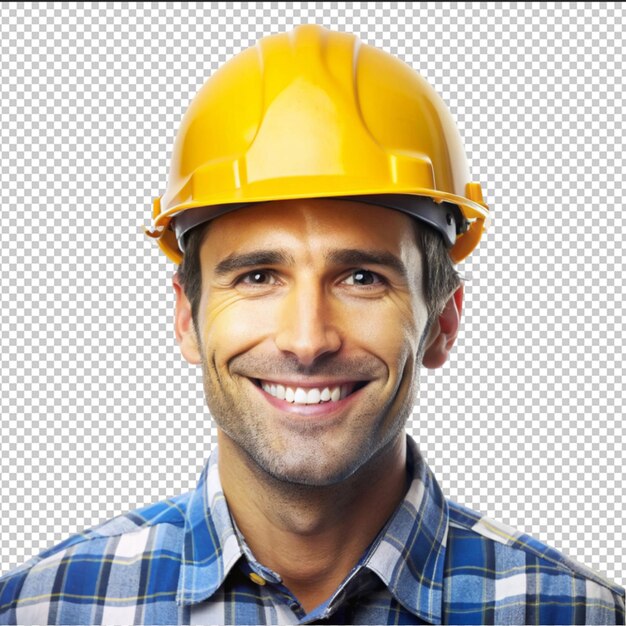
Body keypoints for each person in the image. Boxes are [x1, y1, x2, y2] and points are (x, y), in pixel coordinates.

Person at [0, 23, 623, 626]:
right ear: (187, 318)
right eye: (258, 277)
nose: (307, 340)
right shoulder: (41, 609)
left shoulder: (577, 613)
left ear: (442, 322)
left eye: (361, 278)